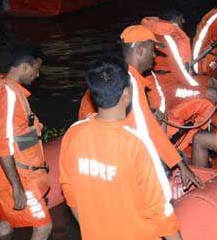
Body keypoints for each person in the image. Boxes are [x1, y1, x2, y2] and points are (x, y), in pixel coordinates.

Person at [59, 58, 191, 240]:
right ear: (127, 94)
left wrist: (93, 229)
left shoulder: (74, 134)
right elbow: (158, 208)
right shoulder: (136, 143)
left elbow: (70, 193)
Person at [77, 25, 203, 190]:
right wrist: (179, 165)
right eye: (152, 50)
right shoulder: (131, 82)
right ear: (140, 50)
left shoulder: (113, 74)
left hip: (96, 147)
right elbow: (147, 130)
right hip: (116, 156)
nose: (154, 56)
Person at [0, 45, 51, 240]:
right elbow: (3, 143)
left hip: (2, 173)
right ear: (24, 66)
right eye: (36, 69)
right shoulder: (9, 96)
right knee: (43, 228)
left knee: (7, 220)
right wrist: (18, 188)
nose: (37, 74)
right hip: (17, 174)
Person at [141, 9, 199, 87]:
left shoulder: (156, 33)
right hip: (166, 81)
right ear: (175, 21)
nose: (184, 21)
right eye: (181, 19)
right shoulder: (171, 38)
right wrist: (196, 86)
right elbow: (181, 70)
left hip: (155, 77)